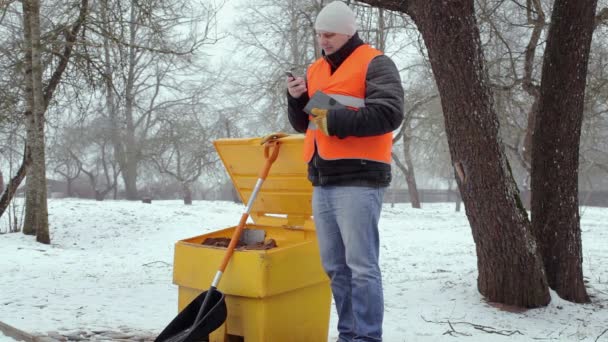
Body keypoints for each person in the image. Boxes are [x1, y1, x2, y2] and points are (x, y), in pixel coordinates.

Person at [285, 1, 404, 341]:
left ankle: (366, 337)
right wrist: (297, 99)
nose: (323, 40)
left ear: (349, 32)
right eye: (319, 34)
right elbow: (303, 123)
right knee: (336, 268)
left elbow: (389, 113)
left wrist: (330, 118)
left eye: (329, 34)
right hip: (322, 179)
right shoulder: (316, 69)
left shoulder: (375, 63)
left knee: (362, 268)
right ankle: (348, 334)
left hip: (360, 179)